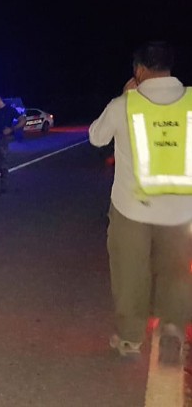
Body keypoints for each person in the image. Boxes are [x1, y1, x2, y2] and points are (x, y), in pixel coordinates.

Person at [89, 41, 192, 365]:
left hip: (132, 209)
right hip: (181, 211)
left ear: (139, 70)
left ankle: (131, 339)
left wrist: (124, 96)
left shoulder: (124, 105)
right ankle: (173, 329)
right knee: (176, 273)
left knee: (130, 273)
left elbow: (96, 137)